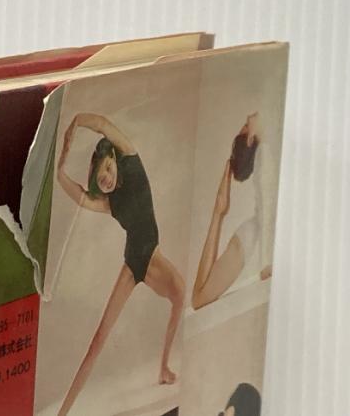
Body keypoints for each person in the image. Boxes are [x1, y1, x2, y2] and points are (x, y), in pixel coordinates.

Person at [56, 112, 185, 416]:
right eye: (101, 178)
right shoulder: (109, 202)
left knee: (181, 294)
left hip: (153, 258)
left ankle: (164, 367)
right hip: (132, 263)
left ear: (114, 159)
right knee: (98, 340)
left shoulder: (130, 159)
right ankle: (62, 412)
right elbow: (82, 199)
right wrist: (60, 170)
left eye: (108, 169)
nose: (107, 178)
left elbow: (102, 125)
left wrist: (75, 123)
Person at [192, 112, 276, 310]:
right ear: (250, 138)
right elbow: (268, 206)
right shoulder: (265, 153)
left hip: (255, 234)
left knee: (198, 297)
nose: (250, 117)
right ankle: (218, 211)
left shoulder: (268, 151)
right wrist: (265, 263)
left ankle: (219, 210)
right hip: (253, 236)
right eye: (246, 124)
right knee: (199, 298)